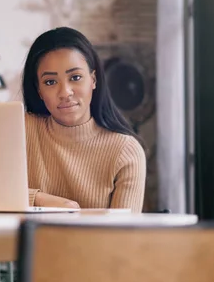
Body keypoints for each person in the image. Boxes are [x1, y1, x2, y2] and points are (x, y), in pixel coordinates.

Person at [22, 27, 147, 213]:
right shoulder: (20, 130)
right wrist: (39, 199)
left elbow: (123, 238)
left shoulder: (126, 152)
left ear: (93, 80)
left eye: (75, 77)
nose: (65, 92)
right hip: (23, 243)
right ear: (39, 90)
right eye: (50, 82)